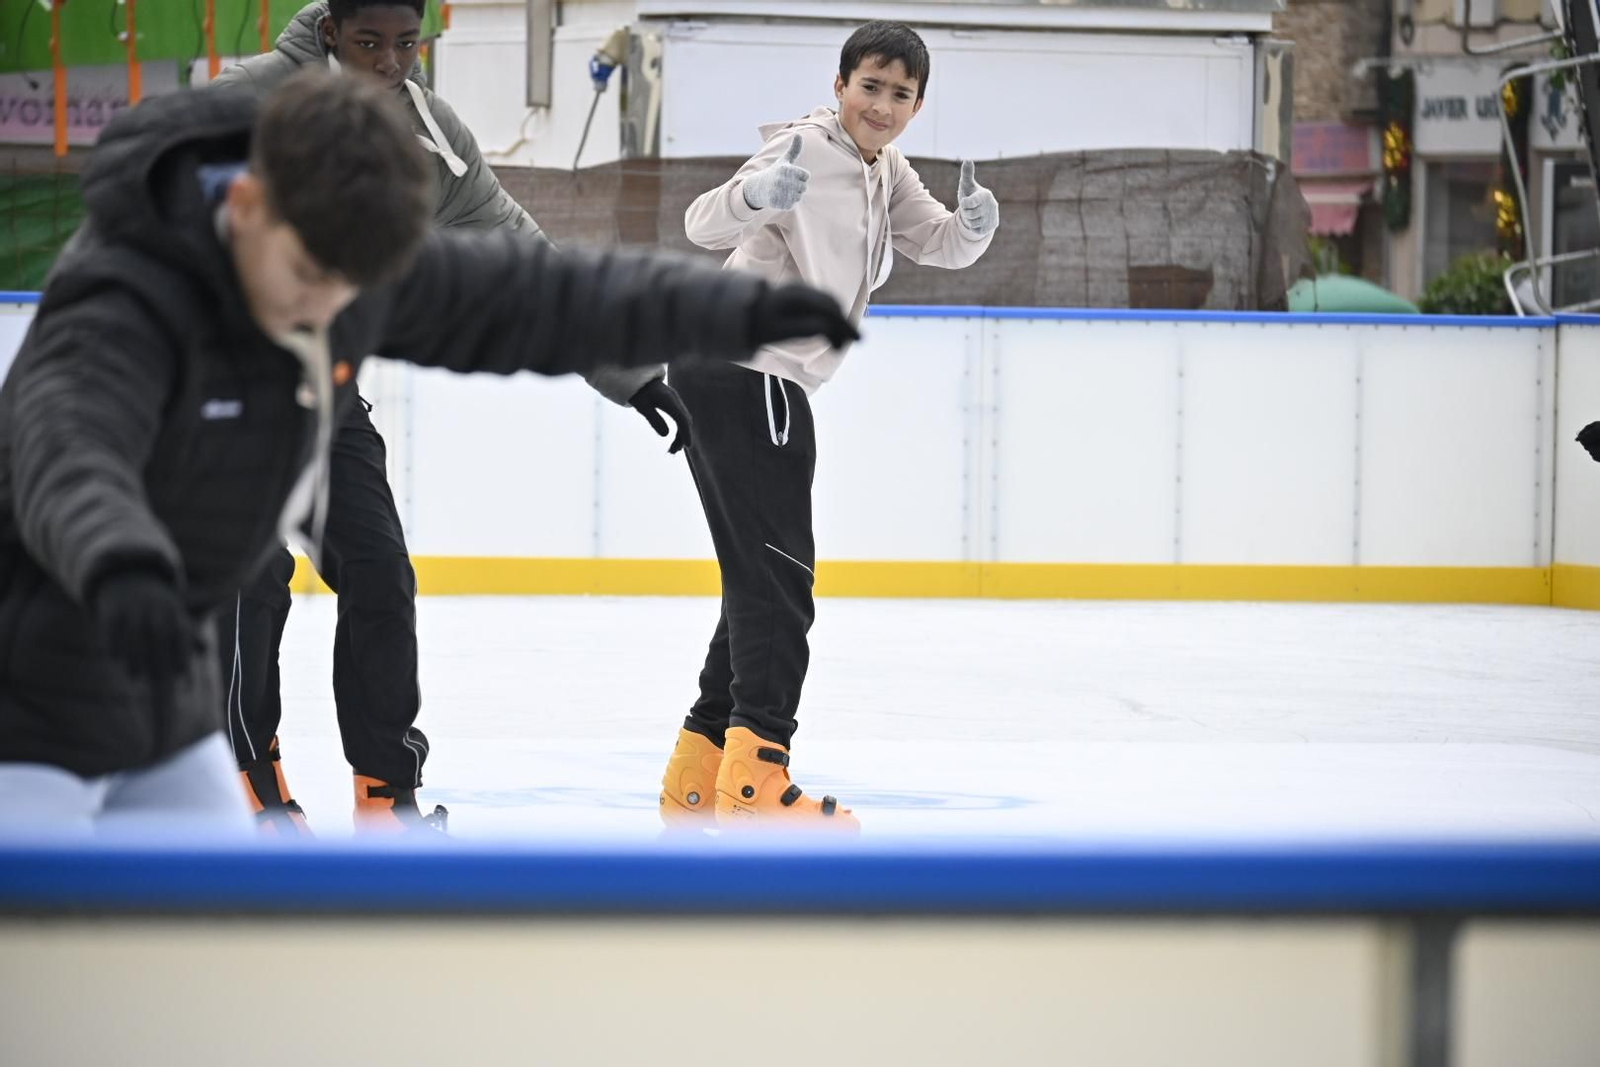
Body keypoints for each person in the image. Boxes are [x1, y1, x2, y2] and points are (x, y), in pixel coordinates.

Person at [0, 69, 855, 834]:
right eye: (310, 276)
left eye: (351, 285)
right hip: (32, 702)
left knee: (204, 931)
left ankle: (371, 790)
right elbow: (69, 447)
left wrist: (723, 313)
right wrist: (121, 564)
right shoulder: (127, 299)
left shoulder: (331, 263)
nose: (326, 304)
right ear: (251, 207)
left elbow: (536, 297)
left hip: (162, 714)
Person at [210, 0, 693, 833]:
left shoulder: (429, 137)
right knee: (253, 581)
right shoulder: (247, 100)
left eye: (406, 43)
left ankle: (385, 797)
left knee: (382, 574)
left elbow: (520, 254)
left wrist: (631, 373)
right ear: (330, 32)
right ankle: (252, 784)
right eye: (369, 43)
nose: (391, 62)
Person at [661, 21, 999, 831]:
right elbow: (703, 223)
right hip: (747, 371)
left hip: (746, 374)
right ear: (842, 83)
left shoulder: (885, 169)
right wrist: (754, 197)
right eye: (871, 86)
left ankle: (700, 773)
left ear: (918, 107)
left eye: (901, 94)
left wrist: (976, 225)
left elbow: (939, 244)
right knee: (782, 583)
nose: (882, 106)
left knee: (759, 581)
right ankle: (757, 782)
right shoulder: (809, 149)